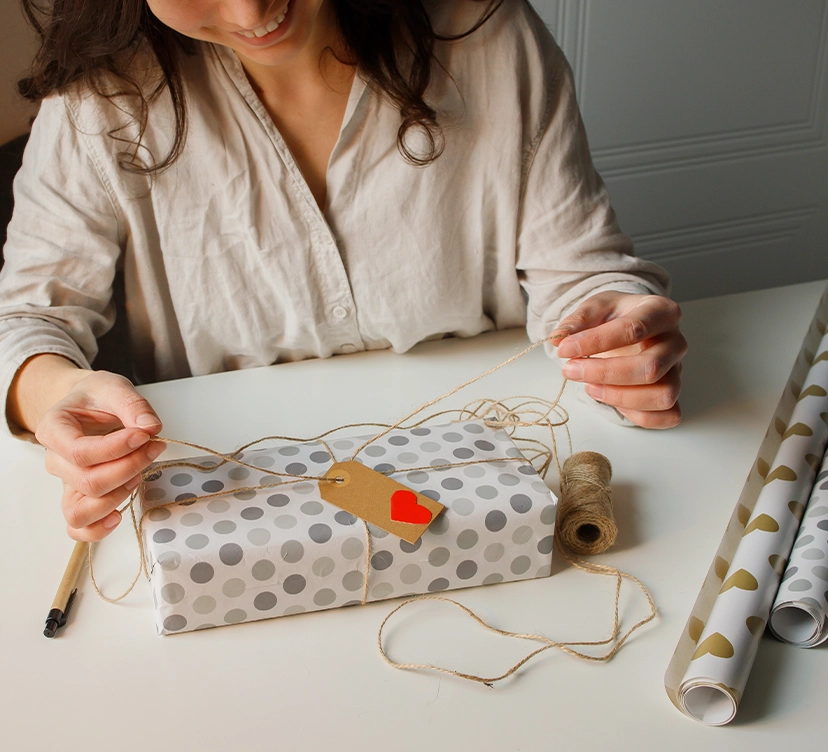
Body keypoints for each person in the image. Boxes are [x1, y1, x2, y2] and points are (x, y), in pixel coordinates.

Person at [0, 0, 686, 543]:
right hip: (228, 508)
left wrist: (617, 331)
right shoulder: (99, 102)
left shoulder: (489, 33)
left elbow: (582, 274)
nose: (249, 11)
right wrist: (54, 392)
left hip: (495, 467)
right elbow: (27, 323)